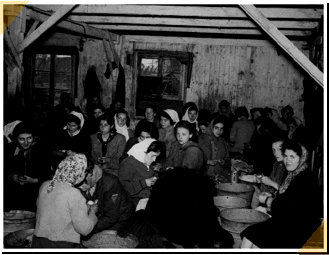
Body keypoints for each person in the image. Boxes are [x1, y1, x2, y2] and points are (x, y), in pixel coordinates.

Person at [240, 141, 321, 248]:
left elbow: (292, 208)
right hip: (286, 221)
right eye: (286, 156)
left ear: (301, 158)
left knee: (252, 237)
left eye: (292, 156)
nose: (288, 160)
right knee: (250, 237)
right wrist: (272, 196)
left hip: (299, 228)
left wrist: (268, 200)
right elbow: (286, 199)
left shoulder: (306, 179)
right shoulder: (292, 174)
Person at [145, 167, 234, 248]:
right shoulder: (200, 186)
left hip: (171, 234)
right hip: (194, 236)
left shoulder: (164, 183)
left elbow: (150, 215)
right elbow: (210, 218)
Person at [32, 153, 98, 248]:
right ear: (79, 173)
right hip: (59, 245)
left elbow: (57, 212)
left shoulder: (45, 185)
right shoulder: (74, 193)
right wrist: (92, 213)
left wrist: (83, 209)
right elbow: (84, 229)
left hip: (38, 242)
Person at [4, 121, 52, 212]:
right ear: (15, 139)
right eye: (21, 139)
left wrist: (32, 180)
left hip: (36, 196)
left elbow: (48, 176)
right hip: (13, 196)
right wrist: (11, 178)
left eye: (29, 138)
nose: (26, 142)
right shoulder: (9, 150)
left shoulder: (41, 150)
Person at [78, 160, 135, 235]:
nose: (79, 187)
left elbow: (111, 217)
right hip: (102, 213)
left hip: (120, 218)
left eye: (82, 183)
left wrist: (87, 227)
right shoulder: (85, 180)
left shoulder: (111, 183)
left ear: (90, 175)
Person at [118, 139, 164, 207]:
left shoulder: (144, 161)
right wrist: (144, 183)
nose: (154, 159)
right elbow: (123, 187)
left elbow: (147, 173)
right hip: (134, 201)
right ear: (144, 151)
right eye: (152, 156)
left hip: (147, 197)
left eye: (156, 156)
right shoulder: (128, 163)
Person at [250, 137, 288, 208]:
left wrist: (270, 183)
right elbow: (272, 184)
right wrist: (263, 181)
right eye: (274, 150)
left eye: (280, 149)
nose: (276, 153)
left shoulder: (288, 167)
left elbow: (287, 193)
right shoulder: (277, 164)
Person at [198, 117, 231, 182]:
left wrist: (224, 162)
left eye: (221, 129)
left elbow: (227, 159)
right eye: (216, 128)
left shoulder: (223, 141)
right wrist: (207, 162)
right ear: (211, 127)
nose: (219, 131)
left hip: (219, 175)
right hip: (205, 175)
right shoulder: (202, 139)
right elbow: (196, 159)